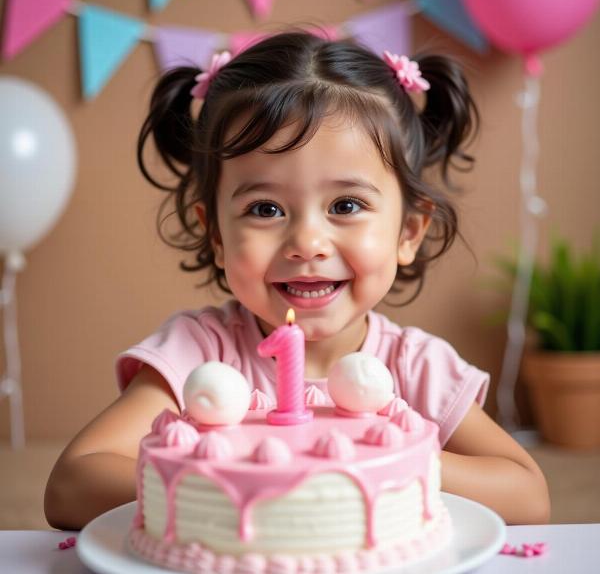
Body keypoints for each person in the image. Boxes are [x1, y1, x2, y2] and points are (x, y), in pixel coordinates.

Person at [45, 30, 550, 530]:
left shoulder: (416, 366)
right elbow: (71, 484)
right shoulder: (199, 352)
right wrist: (239, 481)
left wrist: (377, 464)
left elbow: (528, 496)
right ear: (215, 233)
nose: (307, 242)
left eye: (346, 206)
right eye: (265, 209)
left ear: (409, 231)